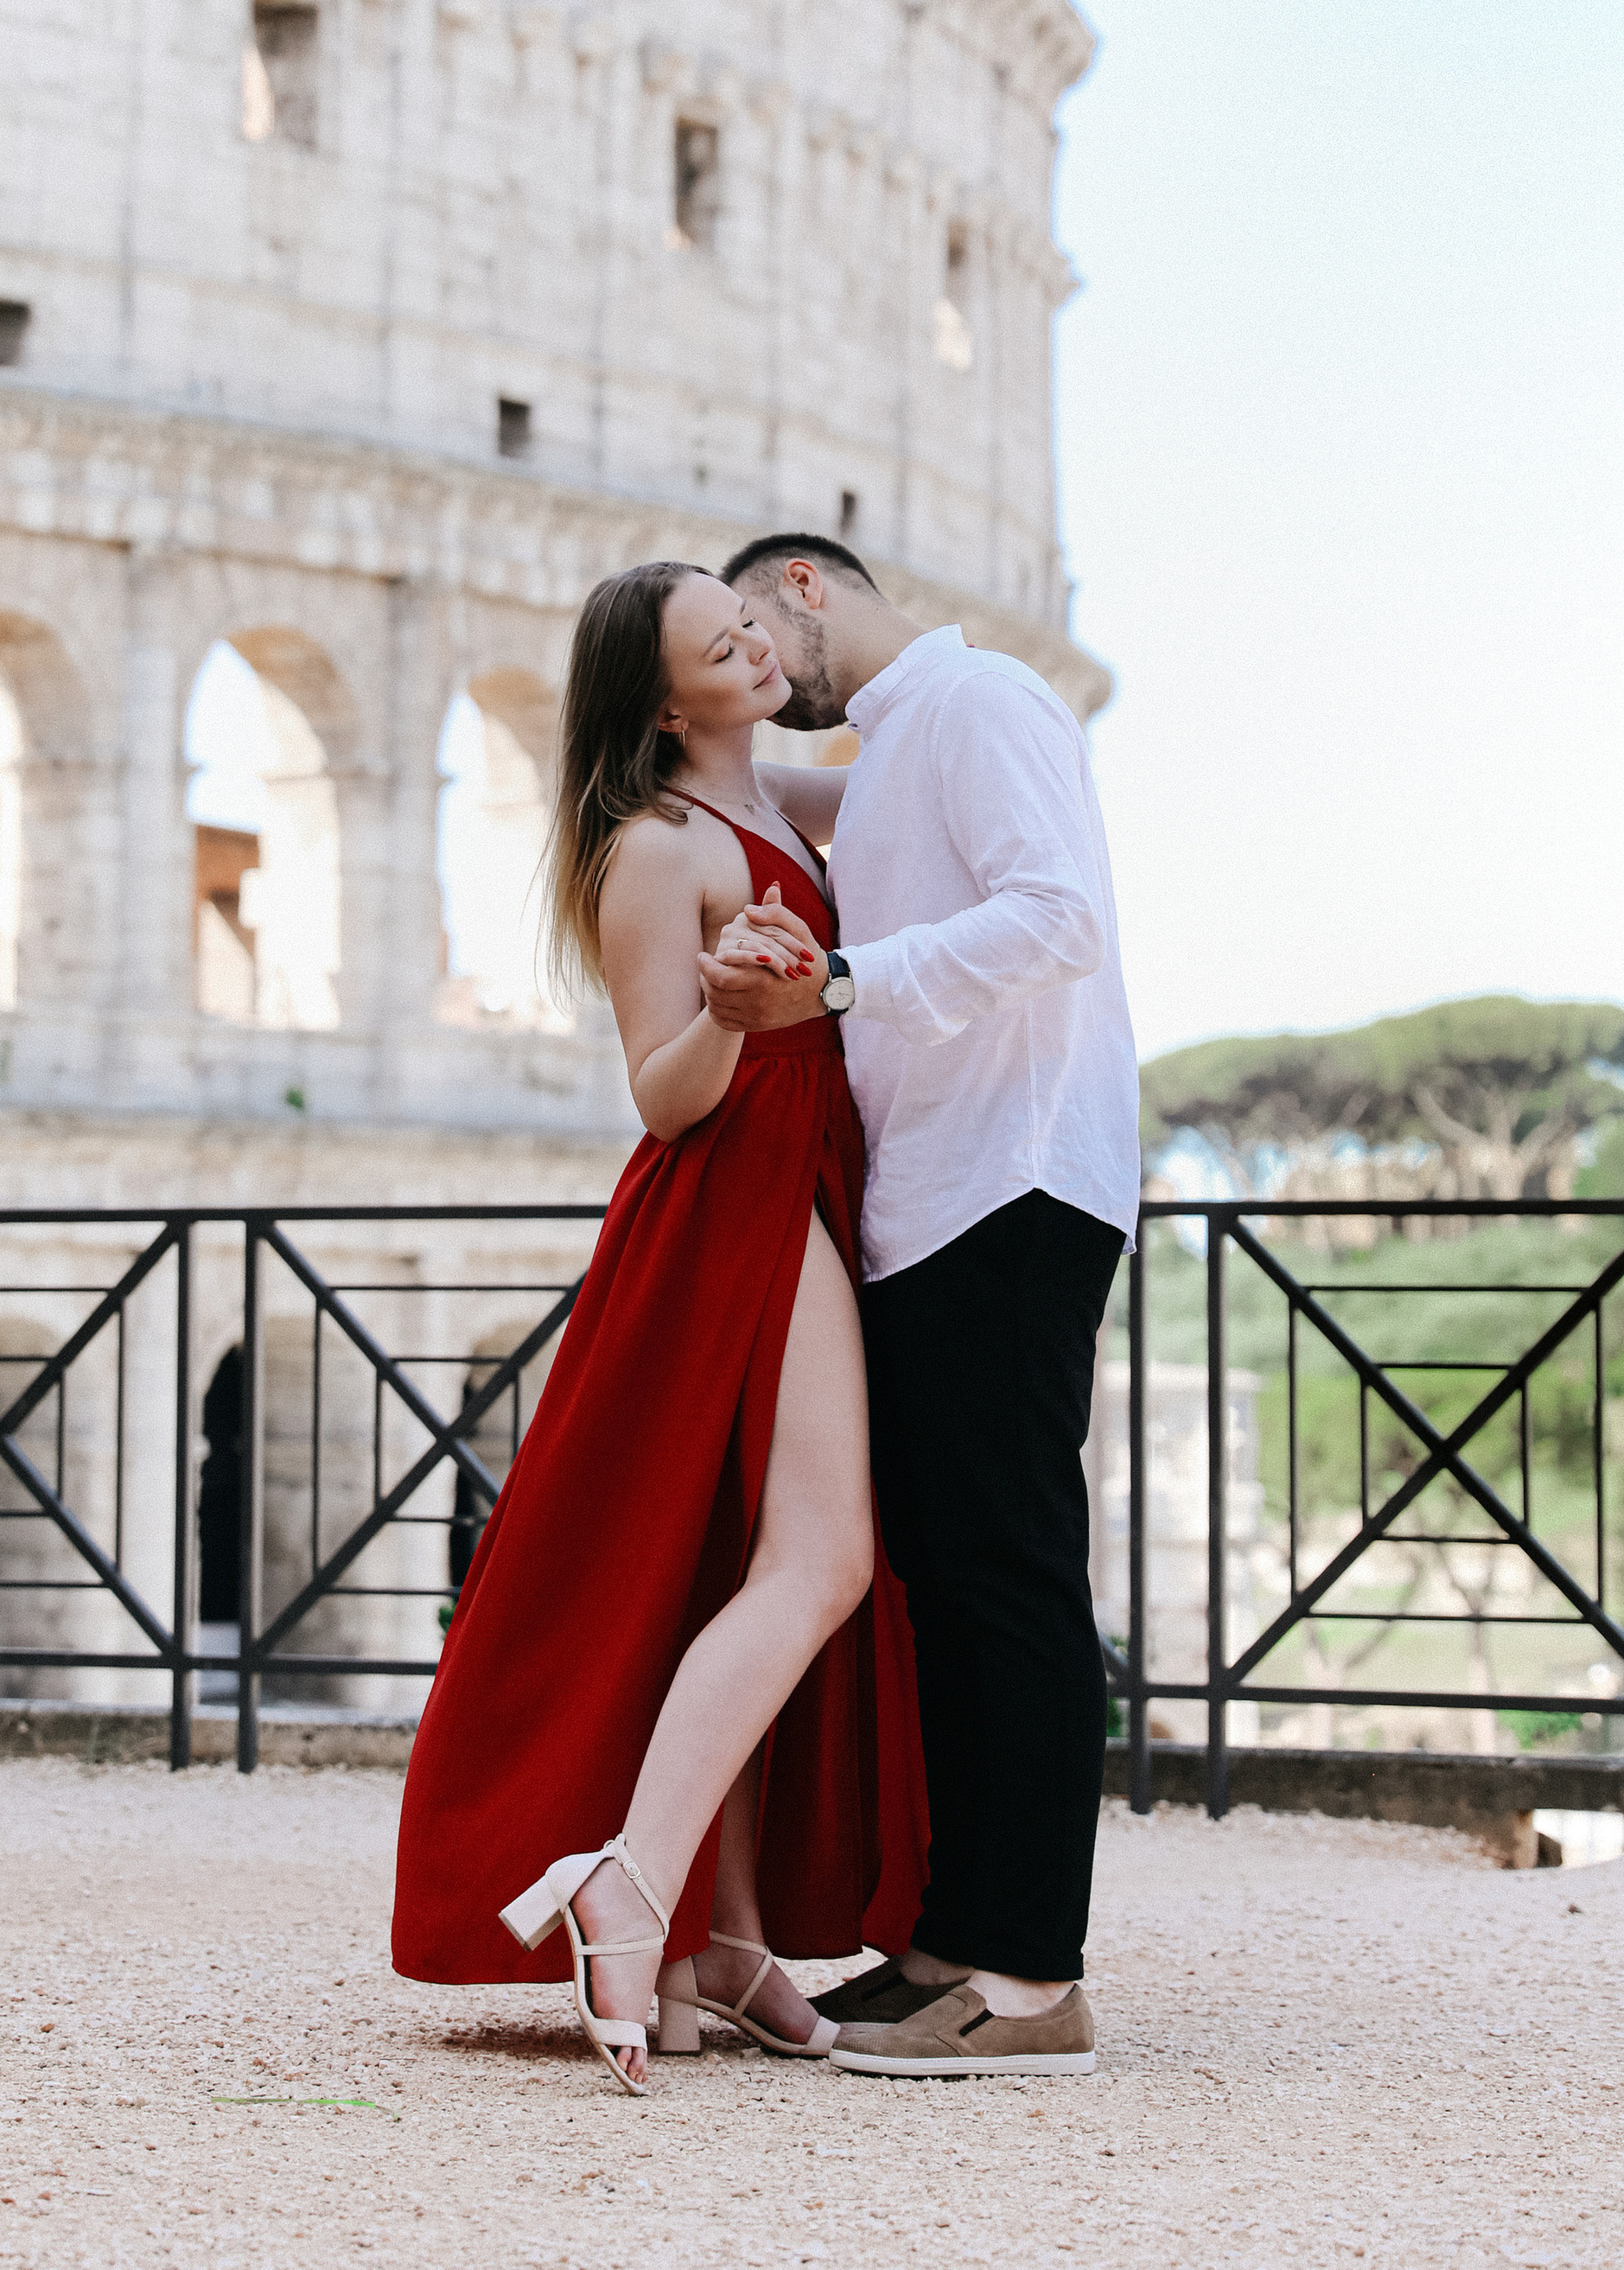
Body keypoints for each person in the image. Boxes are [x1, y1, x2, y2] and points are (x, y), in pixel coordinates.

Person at [389, 561, 928, 2095]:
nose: (756, 643)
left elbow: (905, 768)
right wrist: (735, 1011)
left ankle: (727, 1940)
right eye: (718, 641)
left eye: (751, 620)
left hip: (809, 1185)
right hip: (733, 1204)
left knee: (737, 1563)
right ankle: (624, 1884)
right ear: (659, 699)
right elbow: (662, 1093)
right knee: (819, 1559)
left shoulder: (780, 809)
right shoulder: (654, 846)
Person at [707, 532, 1138, 2082]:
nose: (757, 668)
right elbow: (739, 784)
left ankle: (1029, 1979)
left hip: (1012, 1179)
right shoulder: (889, 751)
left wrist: (834, 984)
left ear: (807, 586)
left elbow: (1057, 919)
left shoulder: (981, 703)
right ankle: (960, 1943)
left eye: (755, 629)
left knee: (1007, 1574)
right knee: (954, 1581)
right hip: (945, 1193)